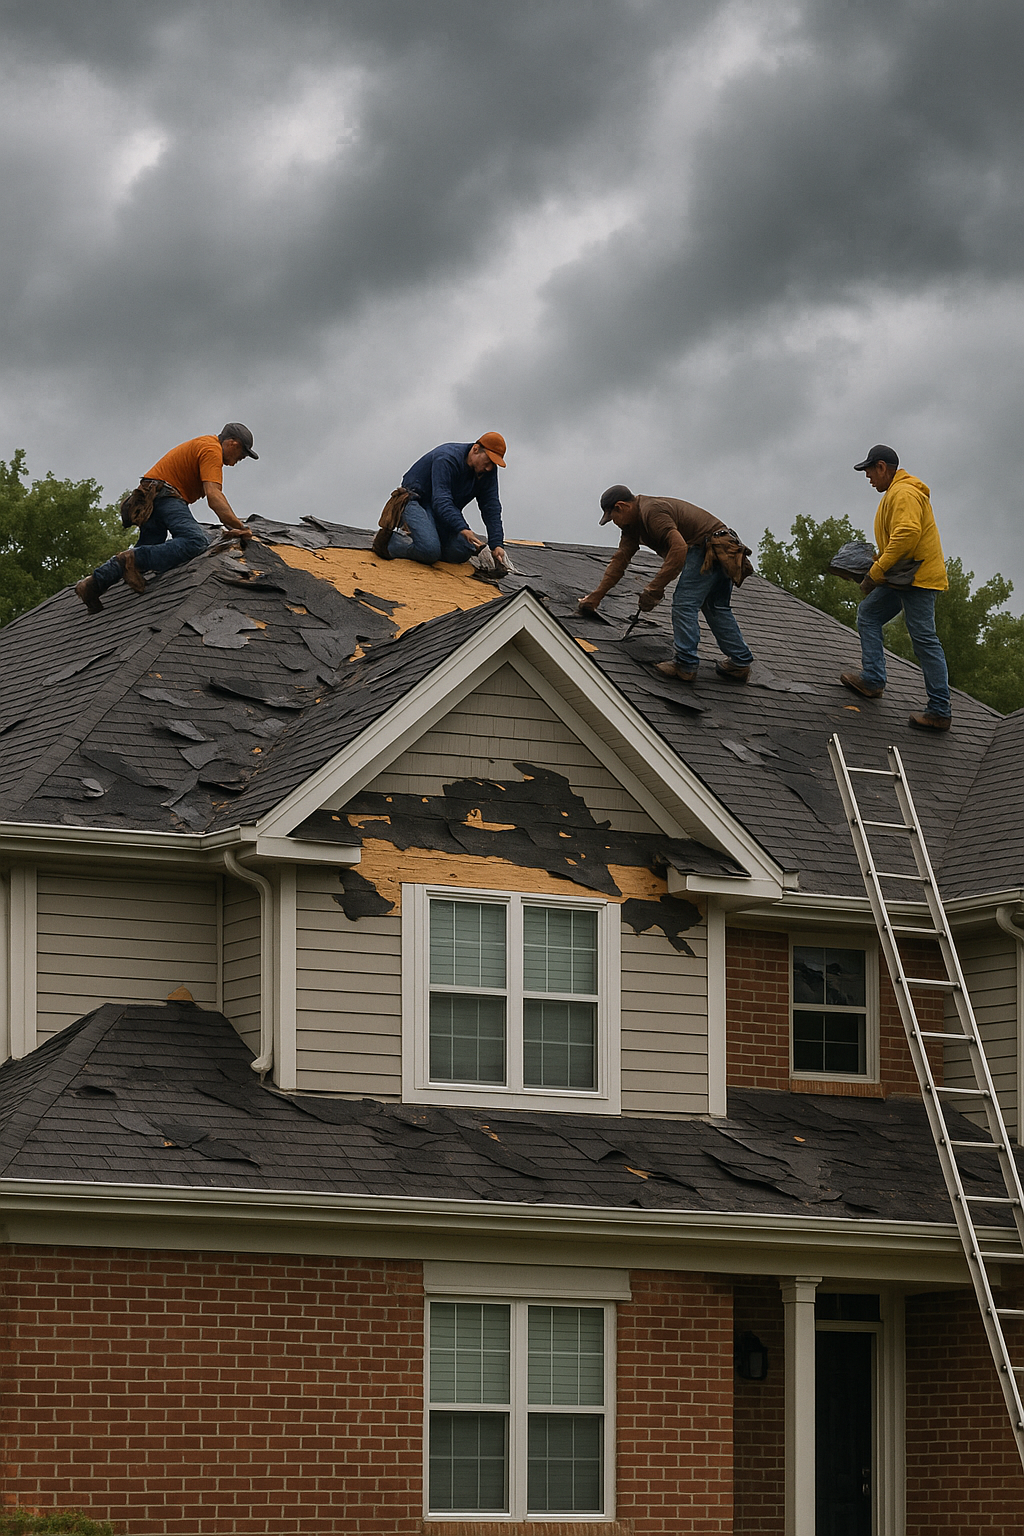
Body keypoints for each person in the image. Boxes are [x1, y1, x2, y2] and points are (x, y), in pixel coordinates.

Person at [578, 485, 754, 683]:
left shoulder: (652, 512)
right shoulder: (631, 526)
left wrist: (654, 588)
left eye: (613, 518)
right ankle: (739, 662)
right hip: (722, 546)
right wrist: (596, 596)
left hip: (707, 547)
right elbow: (620, 560)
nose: (614, 523)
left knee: (684, 605)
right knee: (716, 607)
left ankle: (685, 665)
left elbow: (679, 550)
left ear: (621, 507)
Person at [75, 424, 257, 613]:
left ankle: (92, 584)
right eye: (241, 455)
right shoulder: (212, 450)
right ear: (232, 443)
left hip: (151, 496)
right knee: (196, 541)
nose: (238, 461)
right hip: (165, 496)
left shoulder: (204, 443)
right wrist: (241, 527)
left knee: (147, 554)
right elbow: (214, 496)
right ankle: (131, 559)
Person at [840, 445, 951, 731]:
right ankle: (873, 680)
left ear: (882, 467)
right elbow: (898, 542)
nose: (868, 479)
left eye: (869, 472)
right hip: (903, 576)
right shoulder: (898, 493)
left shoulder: (903, 492)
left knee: (924, 639)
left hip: (917, 579)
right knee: (869, 614)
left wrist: (874, 573)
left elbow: (907, 535)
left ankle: (939, 710)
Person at [372, 433, 509, 569]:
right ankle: (390, 542)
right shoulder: (447, 458)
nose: (489, 467)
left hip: (442, 512)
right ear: (475, 449)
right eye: (488, 461)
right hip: (416, 501)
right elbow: (441, 500)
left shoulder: (487, 472)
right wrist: (462, 528)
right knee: (429, 551)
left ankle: (423, 541)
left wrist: (496, 544)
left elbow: (491, 507)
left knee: (463, 551)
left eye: (494, 464)